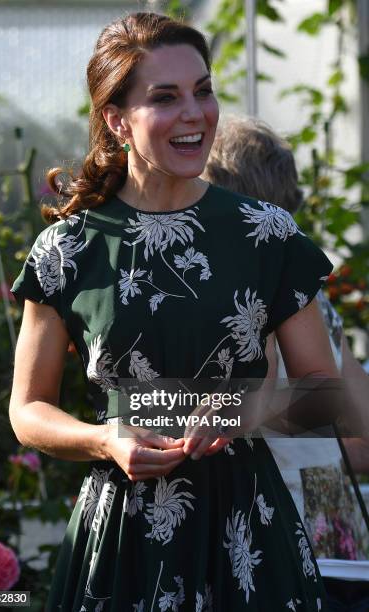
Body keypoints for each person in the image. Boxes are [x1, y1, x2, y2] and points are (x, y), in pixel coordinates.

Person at [9, 12, 340, 611]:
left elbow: (323, 386)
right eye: (166, 97)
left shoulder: (266, 235)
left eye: (203, 90)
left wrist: (244, 408)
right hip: (122, 538)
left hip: (247, 528)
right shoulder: (66, 249)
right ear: (116, 120)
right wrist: (105, 438)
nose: (196, 113)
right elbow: (27, 410)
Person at [202, 114, 369, 610]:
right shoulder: (314, 302)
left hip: (275, 550)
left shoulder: (245, 297)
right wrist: (319, 455)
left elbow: (257, 395)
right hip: (345, 550)